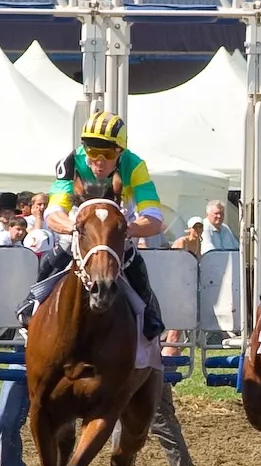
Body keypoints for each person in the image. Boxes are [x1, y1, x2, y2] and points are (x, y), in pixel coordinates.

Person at [19, 110, 168, 342]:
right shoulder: (71, 162)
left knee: (131, 256)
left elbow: (154, 216)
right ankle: (31, 300)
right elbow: (54, 211)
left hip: (119, 224)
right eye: (92, 151)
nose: (98, 160)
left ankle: (150, 312)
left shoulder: (135, 165)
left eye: (107, 153)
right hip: (80, 226)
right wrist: (73, 228)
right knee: (65, 247)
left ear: (120, 151)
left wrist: (128, 230)